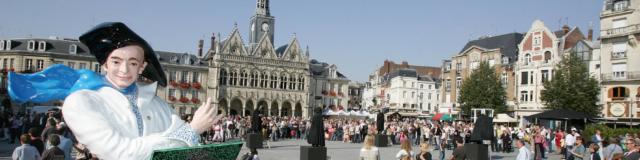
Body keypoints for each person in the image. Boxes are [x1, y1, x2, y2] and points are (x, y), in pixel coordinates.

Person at [20, 22, 220, 159]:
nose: (124, 70)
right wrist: (190, 131)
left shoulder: (157, 103)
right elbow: (119, 152)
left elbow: (183, 153)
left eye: (132, 63)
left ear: (141, 67)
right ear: (104, 64)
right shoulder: (82, 101)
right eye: (116, 61)